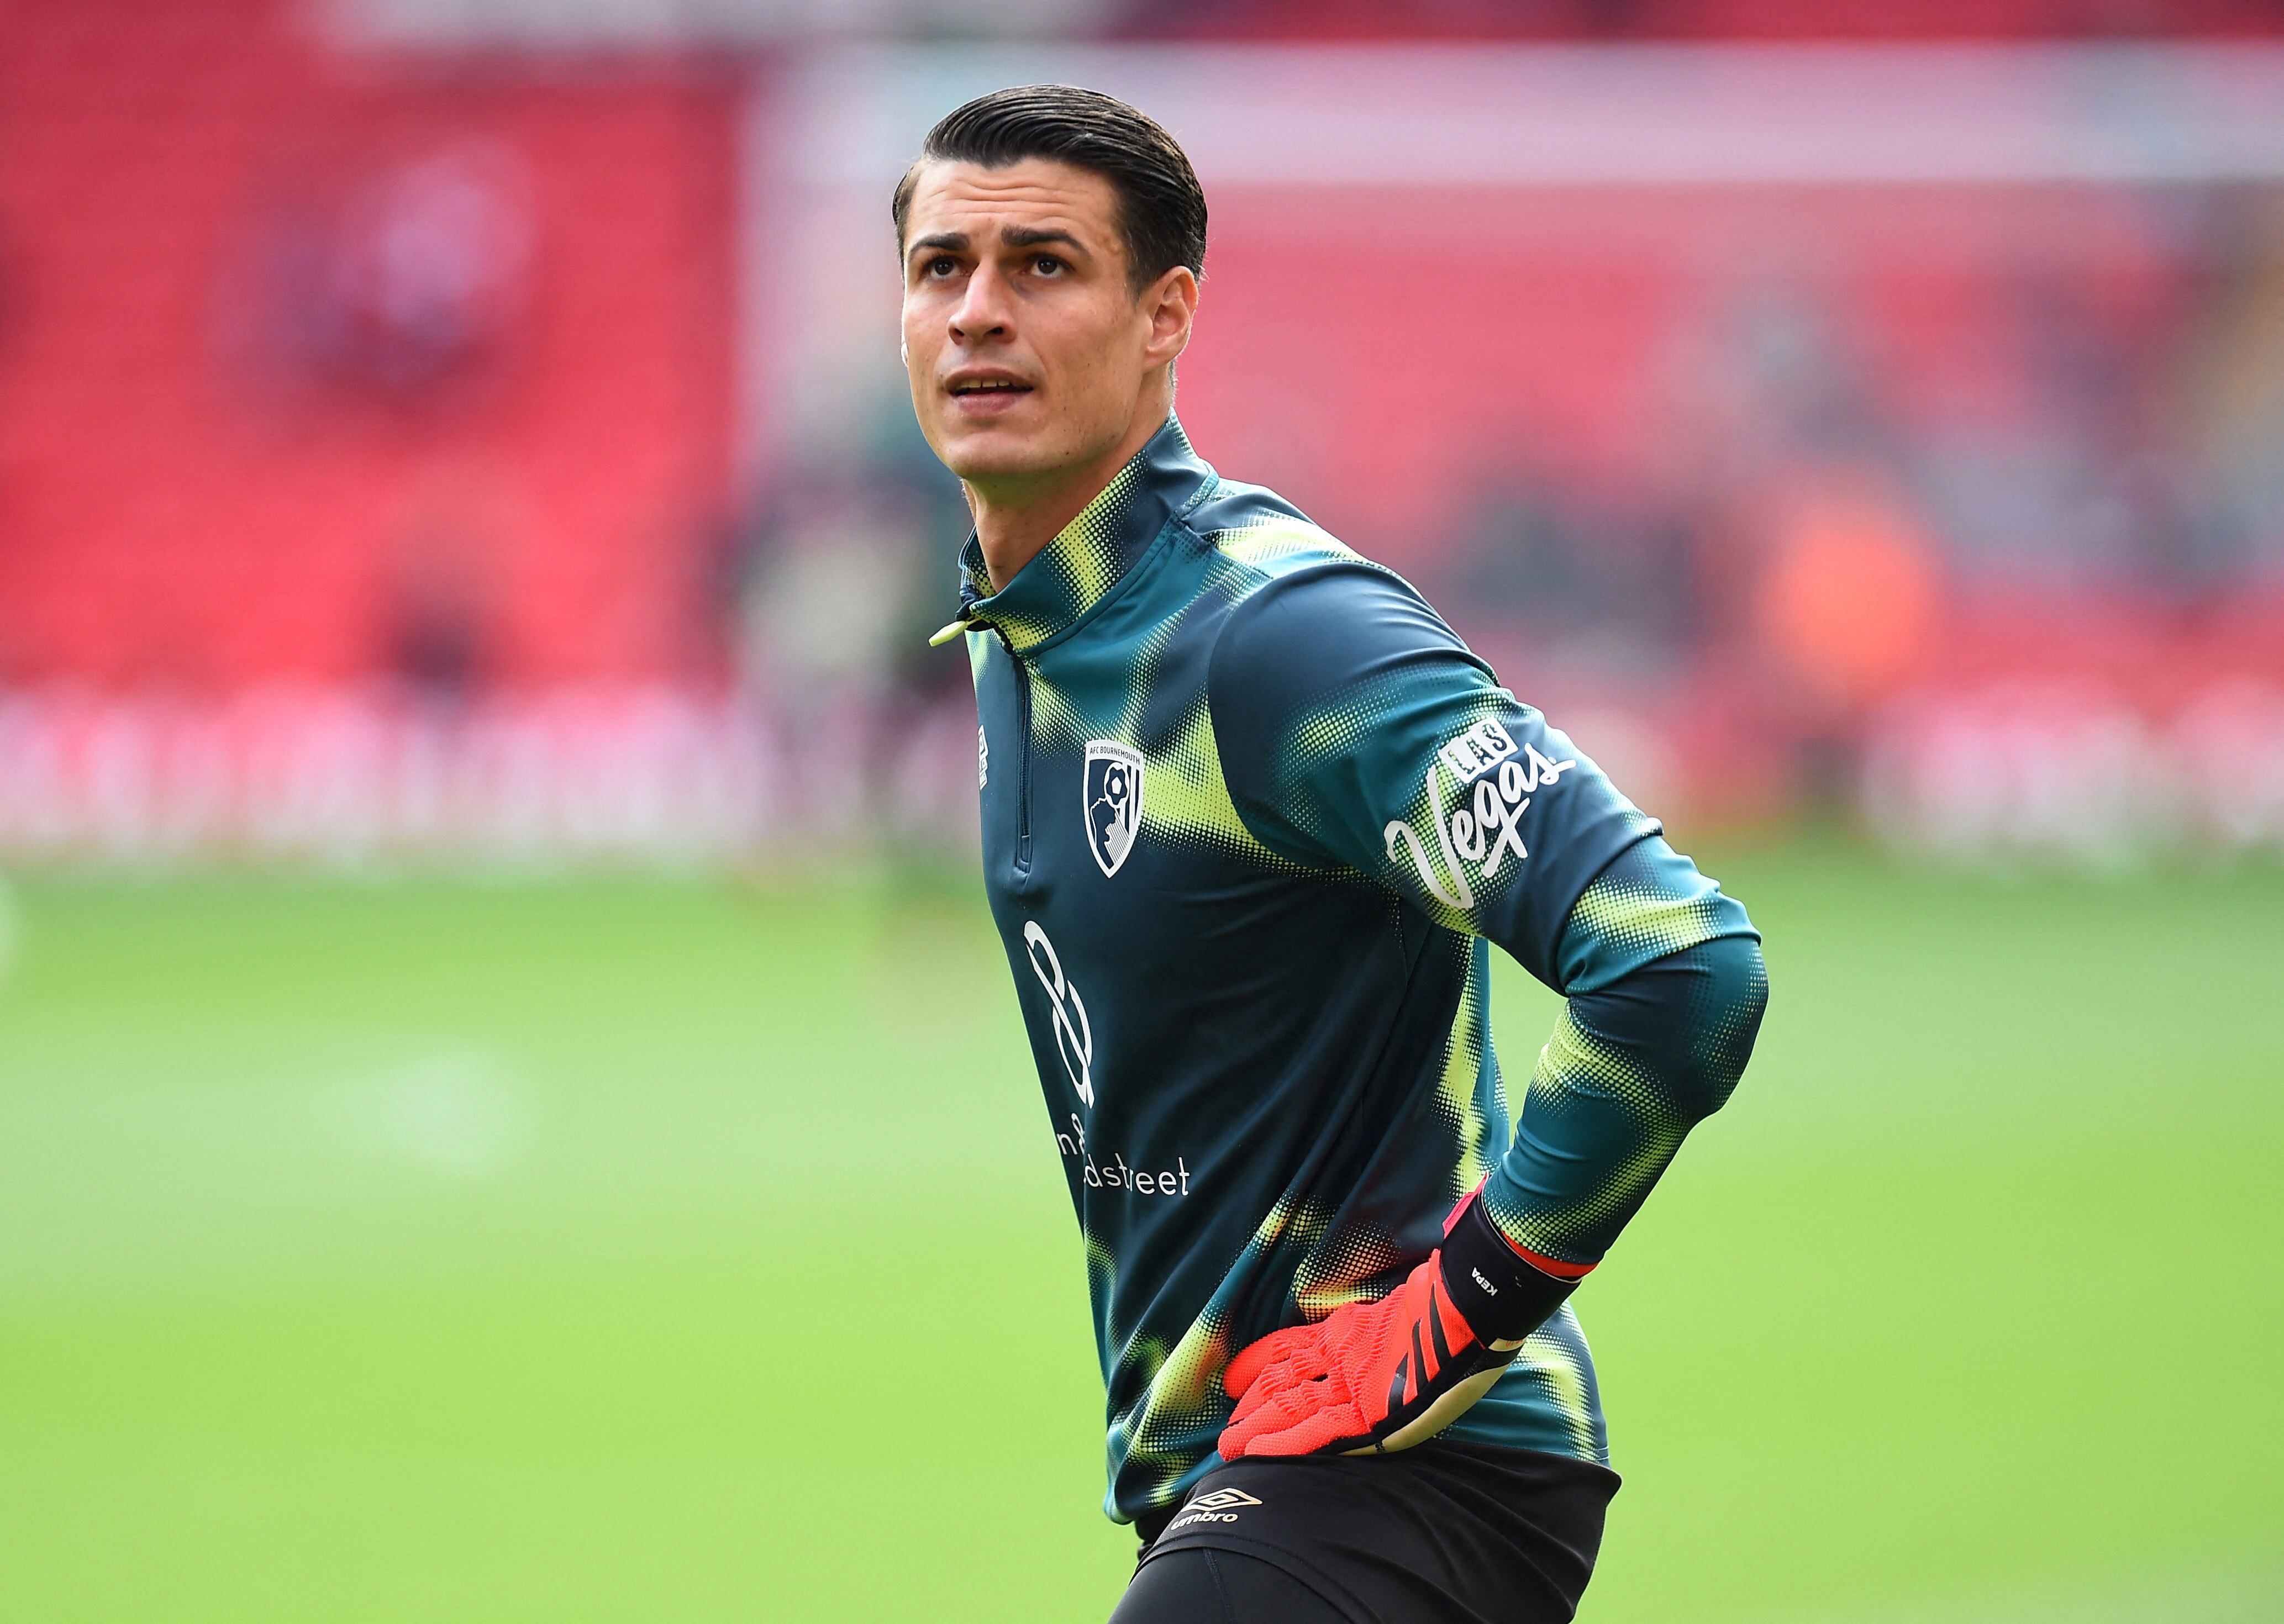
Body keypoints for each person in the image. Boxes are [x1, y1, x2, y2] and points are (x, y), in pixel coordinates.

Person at [897, 85, 1769, 1624]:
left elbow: (1678, 960)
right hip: (1244, 1474)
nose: (978, 312)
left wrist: (1451, 1318)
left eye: (1042, 266)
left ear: (1166, 315)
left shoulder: (1274, 639)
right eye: (941, 266)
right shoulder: (1023, 633)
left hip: (1416, 1463)